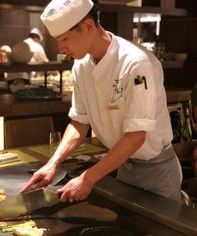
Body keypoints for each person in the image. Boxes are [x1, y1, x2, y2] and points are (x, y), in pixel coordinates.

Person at [21, 0, 182, 203]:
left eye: (64, 39)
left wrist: (87, 178)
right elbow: (80, 122)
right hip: (121, 165)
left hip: (157, 171)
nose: (61, 48)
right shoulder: (81, 66)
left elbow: (135, 137)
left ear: (88, 26)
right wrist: (53, 163)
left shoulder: (136, 64)